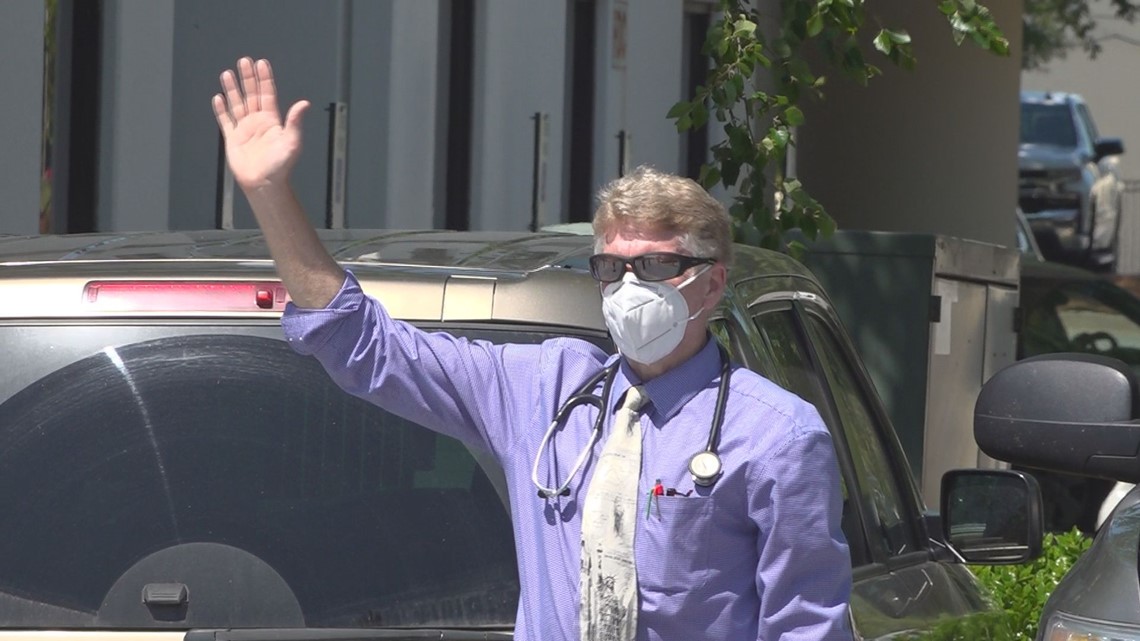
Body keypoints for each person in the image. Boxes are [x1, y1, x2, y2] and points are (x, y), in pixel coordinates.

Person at [213, 56, 852, 641]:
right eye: (611, 268)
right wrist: (270, 194)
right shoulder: (544, 387)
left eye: (656, 267)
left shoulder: (776, 437)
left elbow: (806, 626)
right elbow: (361, 343)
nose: (629, 288)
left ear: (711, 284)